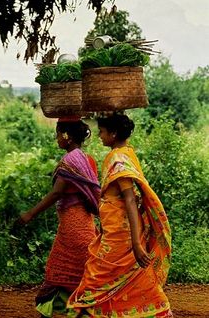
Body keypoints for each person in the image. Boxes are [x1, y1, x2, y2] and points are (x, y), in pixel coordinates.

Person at [67, 113, 173, 318]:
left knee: (96, 278)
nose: (99, 137)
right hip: (113, 231)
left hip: (121, 237)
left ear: (113, 134)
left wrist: (135, 243)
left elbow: (130, 200)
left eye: (102, 132)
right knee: (124, 277)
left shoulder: (118, 158)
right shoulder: (127, 152)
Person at [17, 117, 100, 318]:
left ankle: (76, 310)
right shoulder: (88, 160)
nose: (56, 138)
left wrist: (29, 214)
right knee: (79, 272)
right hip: (85, 225)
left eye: (57, 134)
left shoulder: (69, 161)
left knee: (59, 271)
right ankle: (79, 310)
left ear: (67, 136)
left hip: (73, 228)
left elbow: (56, 193)